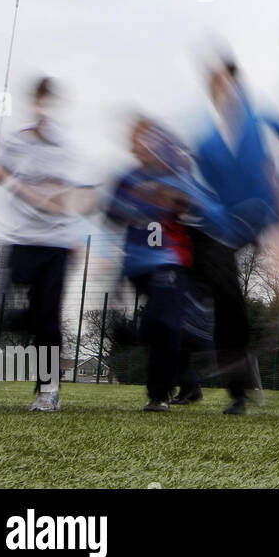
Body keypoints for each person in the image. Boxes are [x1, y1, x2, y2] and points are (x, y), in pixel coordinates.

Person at [0, 78, 88, 411]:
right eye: (37, 102)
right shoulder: (18, 141)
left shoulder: (64, 146)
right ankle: (34, 330)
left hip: (56, 243)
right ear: (33, 103)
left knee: (47, 319)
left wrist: (26, 190)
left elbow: (61, 196)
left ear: (53, 105)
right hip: (20, 239)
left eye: (47, 102)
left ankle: (49, 390)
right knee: (10, 309)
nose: (40, 109)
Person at [178, 55, 279, 414]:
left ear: (237, 84)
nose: (220, 90)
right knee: (227, 297)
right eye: (213, 84)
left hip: (266, 215)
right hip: (222, 227)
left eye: (225, 82)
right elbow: (199, 183)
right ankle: (237, 390)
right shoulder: (207, 140)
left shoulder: (262, 120)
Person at [106, 119, 197, 412]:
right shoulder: (128, 179)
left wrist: (180, 203)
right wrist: (129, 208)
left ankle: (158, 394)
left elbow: (193, 204)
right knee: (156, 327)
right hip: (137, 265)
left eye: (146, 138)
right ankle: (186, 376)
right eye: (136, 140)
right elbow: (112, 214)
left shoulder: (174, 175)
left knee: (163, 322)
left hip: (170, 260)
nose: (140, 145)